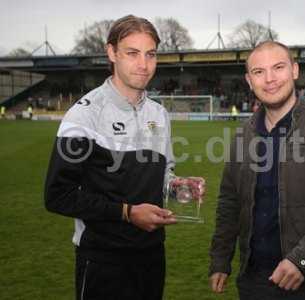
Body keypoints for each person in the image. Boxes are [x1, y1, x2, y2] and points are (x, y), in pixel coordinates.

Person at [45, 15, 204, 300]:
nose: (143, 65)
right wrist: (128, 213)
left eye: (151, 54)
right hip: (103, 259)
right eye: (132, 53)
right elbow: (58, 195)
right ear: (111, 53)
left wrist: (178, 186)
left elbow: (162, 173)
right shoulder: (84, 114)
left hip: (152, 254)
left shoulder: (158, 114)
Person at [209, 41, 305, 300]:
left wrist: (302, 259)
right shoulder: (242, 136)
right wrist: (220, 259)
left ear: (294, 70)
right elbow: (229, 202)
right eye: (259, 72)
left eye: (278, 67)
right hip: (254, 280)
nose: (269, 79)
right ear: (249, 80)